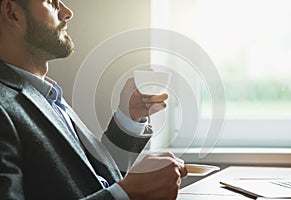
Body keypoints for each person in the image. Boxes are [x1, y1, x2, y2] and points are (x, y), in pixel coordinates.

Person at [0, 0, 188, 199]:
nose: (67, 12)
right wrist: (127, 194)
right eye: (52, 2)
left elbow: (90, 177)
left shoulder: (45, 94)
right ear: (12, 13)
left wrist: (129, 118)